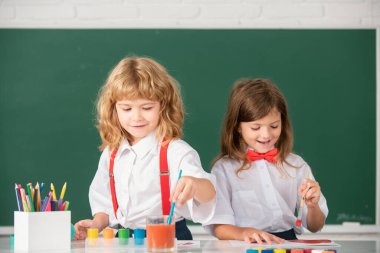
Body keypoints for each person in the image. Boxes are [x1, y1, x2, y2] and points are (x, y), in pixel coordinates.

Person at [74, 56, 216, 240]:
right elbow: (105, 205)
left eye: (147, 107)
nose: (137, 117)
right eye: (126, 109)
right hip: (123, 238)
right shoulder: (112, 153)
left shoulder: (175, 152)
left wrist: (195, 185)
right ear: (113, 109)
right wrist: (96, 224)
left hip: (168, 238)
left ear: (163, 106)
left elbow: (209, 194)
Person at [203, 78, 328, 244]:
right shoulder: (224, 169)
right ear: (238, 127)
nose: (266, 135)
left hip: (288, 243)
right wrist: (245, 233)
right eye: (256, 127)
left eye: (274, 126)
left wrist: (313, 206)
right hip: (245, 243)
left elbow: (315, 226)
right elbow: (219, 228)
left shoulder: (297, 165)